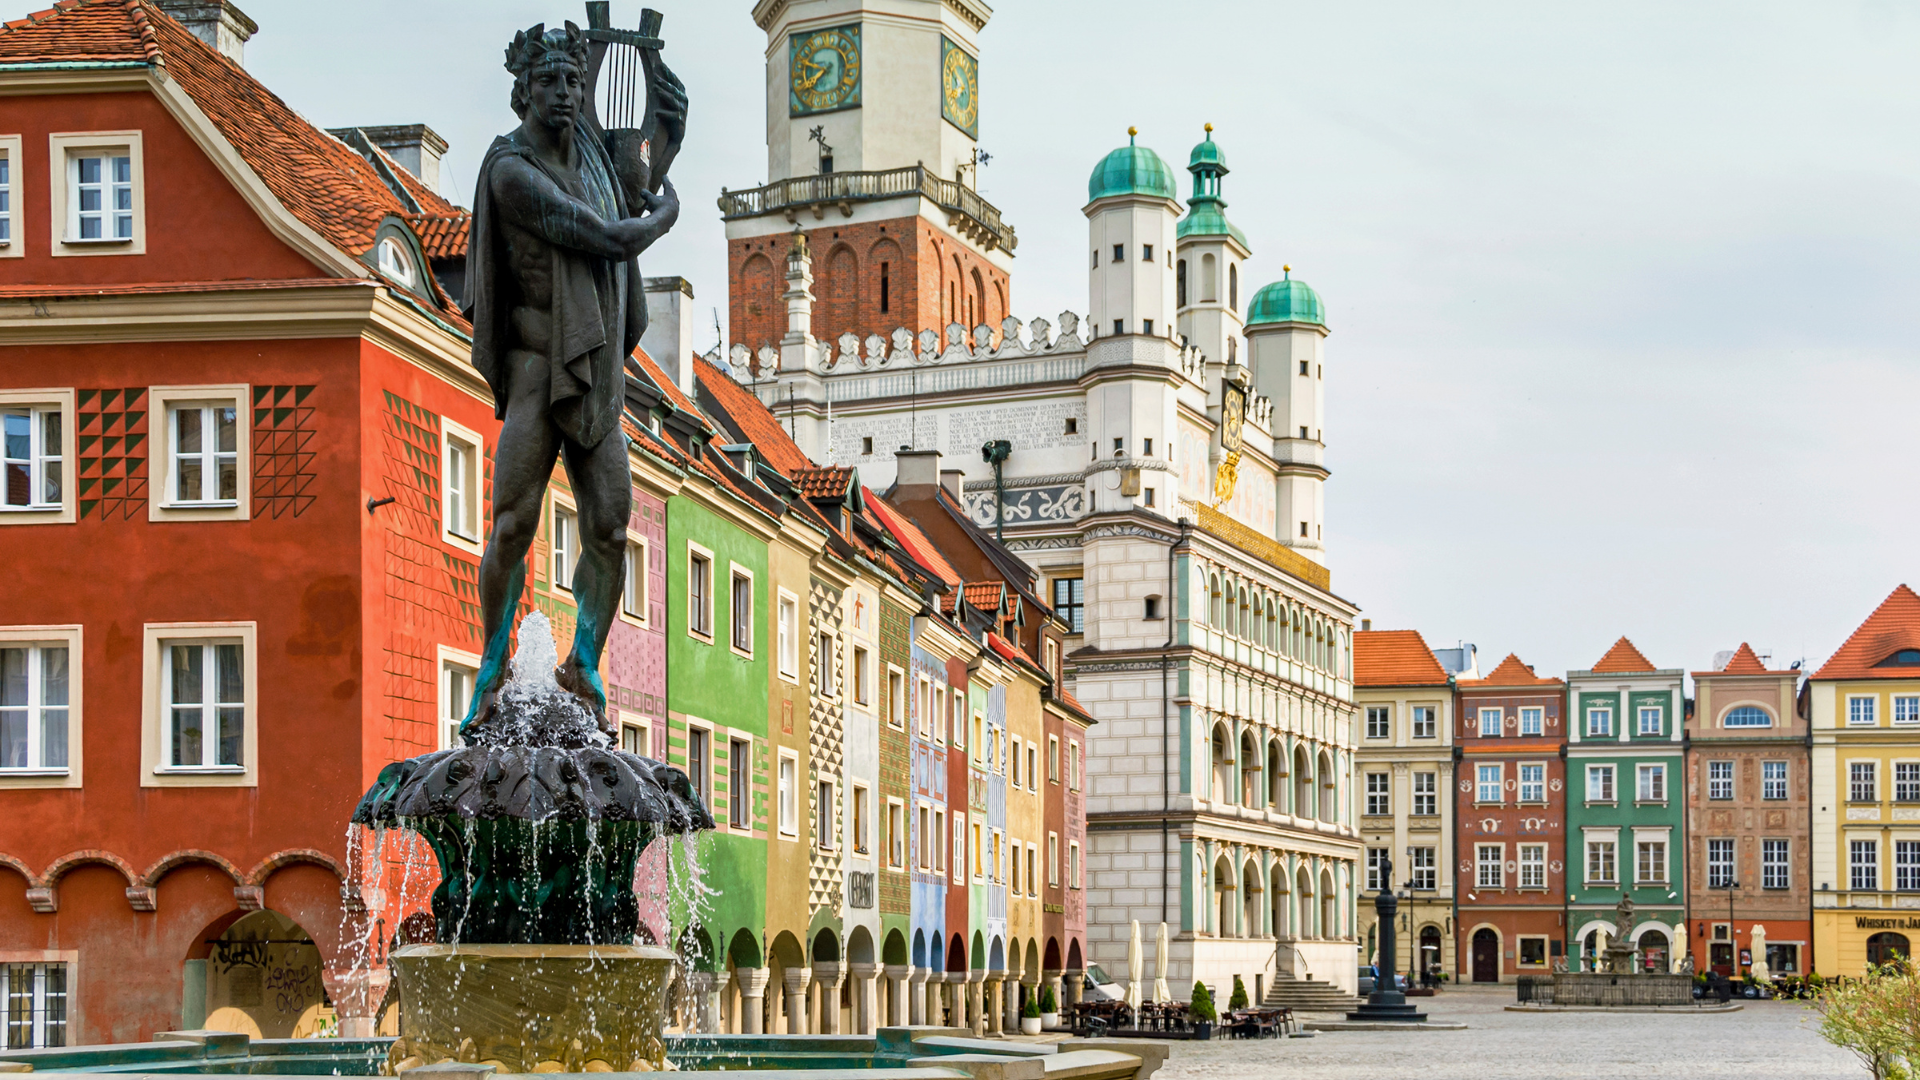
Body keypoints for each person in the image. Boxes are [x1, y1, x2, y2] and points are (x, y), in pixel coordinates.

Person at [461, 21, 684, 737]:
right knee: (511, 526)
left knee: (612, 527)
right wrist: (669, 210)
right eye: (550, 82)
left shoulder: (589, 151)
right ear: (523, 89)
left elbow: (629, 184)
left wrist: (667, 133)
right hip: (534, 367)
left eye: (573, 83)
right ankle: (491, 672)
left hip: (593, 379)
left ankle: (583, 664)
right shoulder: (511, 172)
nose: (564, 94)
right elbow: (610, 233)